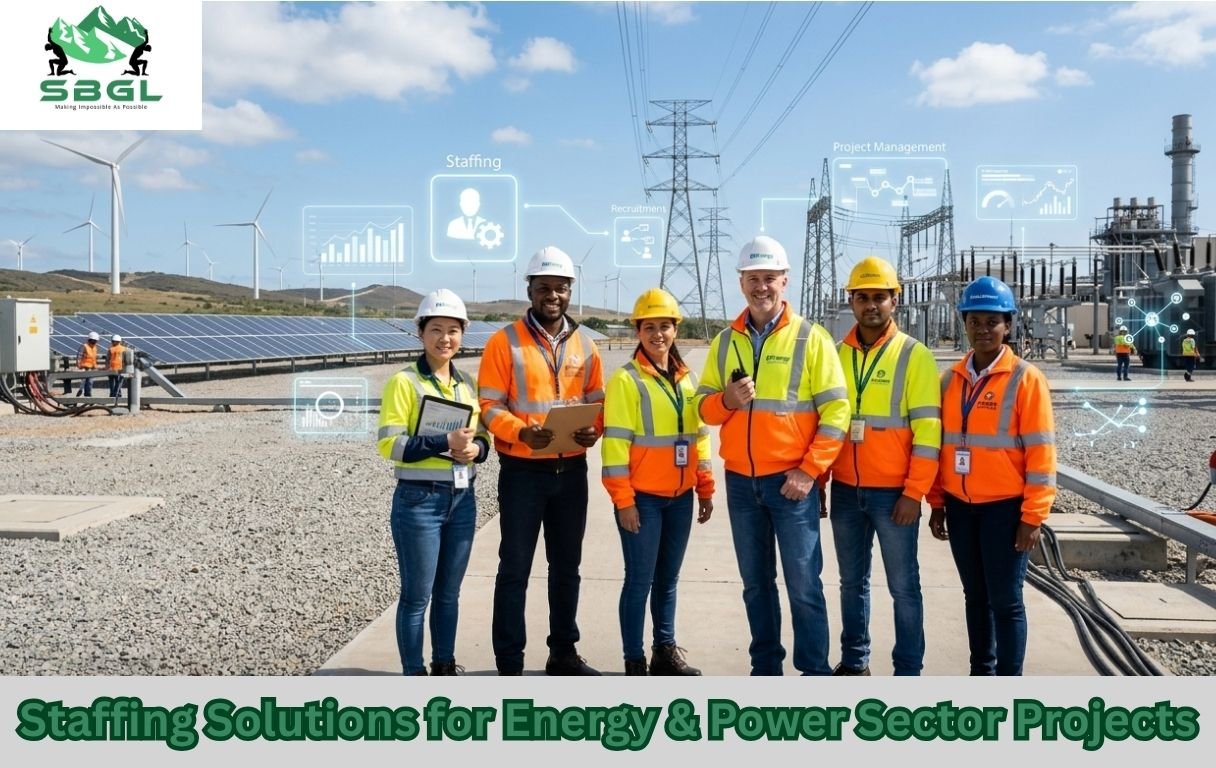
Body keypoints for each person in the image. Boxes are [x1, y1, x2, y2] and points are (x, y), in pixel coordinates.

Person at [693, 234, 850, 676]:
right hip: (742, 484)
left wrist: (810, 471)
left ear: (785, 282)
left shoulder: (811, 339)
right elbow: (702, 408)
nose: (761, 287)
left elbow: (837, 411)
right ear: (741, 282)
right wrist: (726, 400)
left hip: (791, 485)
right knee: (755, 585)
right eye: (752, 278)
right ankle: (766, 671)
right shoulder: (725, 342)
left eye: (769, 278)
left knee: (803, 585)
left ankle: (814, 674)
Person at [478, 246, 605, 676]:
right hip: (523, 473)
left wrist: (595, 428)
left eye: (561, 287)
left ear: (571, 291)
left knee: (567, 567)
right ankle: (509, 662)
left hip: (571, 473)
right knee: (514, 567)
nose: (553, 295)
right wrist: (521, 433)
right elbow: (489, 405)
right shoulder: (504, 342)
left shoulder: (587, 345)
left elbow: (597, 400)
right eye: (544, 287)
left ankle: (563, 653)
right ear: (529, 289)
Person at [927, 276, 1057, 676]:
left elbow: (1041, 452)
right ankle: (981, 674)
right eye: (975, 321)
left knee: (1006, 600)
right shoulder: (950, 380)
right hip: (961, 509)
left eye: (992, 322)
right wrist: (936, 503)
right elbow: (938, 445)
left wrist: (1033, 517)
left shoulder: (1025, 379)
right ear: (964, 323)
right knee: (975, 597)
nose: (983, 330)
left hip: (1005, 511)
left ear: (1008, 325)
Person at [826, 256, 941, 676]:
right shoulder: (836, 354)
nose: (870, 305)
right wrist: (822, 479)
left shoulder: (915, 356)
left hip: (895, 495)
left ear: (896, 299)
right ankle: (855, 662)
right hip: (844, 491)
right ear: (851, 302)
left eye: (879, 297)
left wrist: (915, 493)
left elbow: (929, 434)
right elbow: (823, 423)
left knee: (903, 587)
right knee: (850, 584)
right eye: (862, 297)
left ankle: (908, 669)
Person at [602, 288, 714, 676]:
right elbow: (615, 447)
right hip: (643, 500)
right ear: (638, 330)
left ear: (675, 329)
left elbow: (699, 436)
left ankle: (664, 652)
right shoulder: (626, 381)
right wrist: (624, 501)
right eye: (649, 327)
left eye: (665, 326)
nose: (658, 334)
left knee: (667, 581)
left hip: (680, 497)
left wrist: (705, 485)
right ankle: (634, 660)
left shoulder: (687, 379)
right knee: (639, 581)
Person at [377, 289, 489, 676]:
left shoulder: (467, 384)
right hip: (418, 501)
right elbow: (390, 444)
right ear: (421, 333)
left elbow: (484, 436)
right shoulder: (404, 383)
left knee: (448, 595)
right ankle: (414, 673)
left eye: (453, 330)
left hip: (462, 498)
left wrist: (476, 449)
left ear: (463, 335)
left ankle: (444, 664)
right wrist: (444, 442)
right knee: (416, 597)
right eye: (436, 329)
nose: (445, 338)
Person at [76, 331, 99, 396]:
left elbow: (94, 358)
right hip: (84, 367)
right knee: (84, 382)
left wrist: (95, 366)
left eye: (95, 341)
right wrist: (79, 365)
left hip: (92, 368)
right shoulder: (84, 346)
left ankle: (88, 394)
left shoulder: (95, 348)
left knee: (90, 382)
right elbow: (79, 356)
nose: (94, 342)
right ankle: (82, 392)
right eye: (93, 340)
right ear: (89, 339)